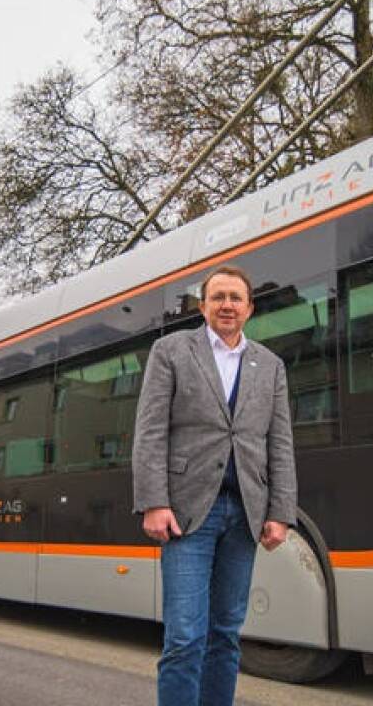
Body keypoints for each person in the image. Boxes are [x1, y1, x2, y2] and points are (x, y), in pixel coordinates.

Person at [132, 264, 297, 706]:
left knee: (225, 634)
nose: (227, 305)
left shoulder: (271, 365)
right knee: (185, 636)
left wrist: (280, 512)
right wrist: (153, 501)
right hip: (187, 514)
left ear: (249, 308)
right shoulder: (170, 350)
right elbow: (150, 430)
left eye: (235, 298)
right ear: (202, 306)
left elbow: (279, 442)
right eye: (218, 297)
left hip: (245, 512)